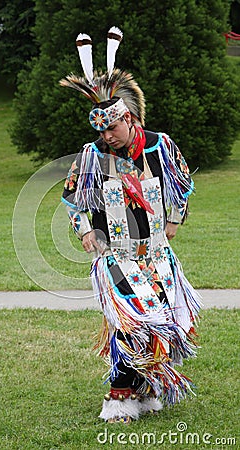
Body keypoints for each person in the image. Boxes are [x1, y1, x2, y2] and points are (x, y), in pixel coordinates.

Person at [60, 27, 202, 424]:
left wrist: (175, 218)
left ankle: (143, 390)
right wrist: (85, 230)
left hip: (158, 255)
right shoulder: (92, 156)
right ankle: (118, 398)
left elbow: (184, 184)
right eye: (100, 131)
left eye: (112, 128)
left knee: (164, 323)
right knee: (133, 320)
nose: (106, 137)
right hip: (116, 256)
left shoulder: (160, 146)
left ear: (129, 118)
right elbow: (72, 199)